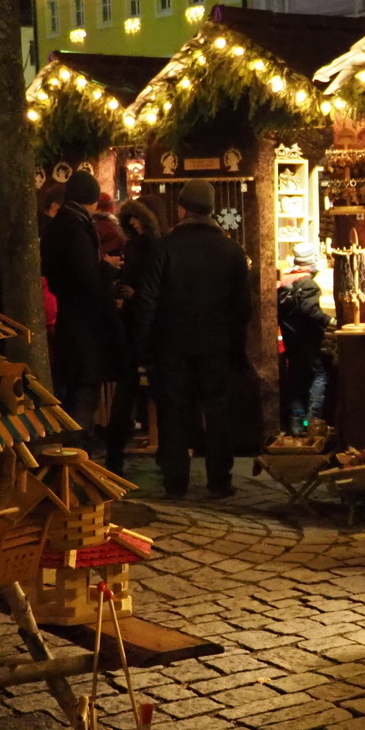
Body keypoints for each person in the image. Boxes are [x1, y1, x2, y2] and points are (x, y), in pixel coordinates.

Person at [134, 179, 252, 498]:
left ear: (182, 208)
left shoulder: (165, 247)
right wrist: (237, 347)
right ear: (211, 210)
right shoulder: (231, 250)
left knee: (174, 411)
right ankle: (219, 479)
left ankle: (175, 481)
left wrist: (143, 346)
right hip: (216, 344)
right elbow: (243, 306)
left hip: (172, 345)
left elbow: (147, 299)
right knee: (217, 411)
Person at [42, 170, 126, 440]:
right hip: (83, 325)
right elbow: (86, 278)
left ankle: (74, 454)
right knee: (83, 391)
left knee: (75, 390)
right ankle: (78, 458)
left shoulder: (58, 225)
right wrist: (107, 270)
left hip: (69, 322)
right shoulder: (76, 227)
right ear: (90, 200)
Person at [102, 199, 161, 474]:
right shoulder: (151, 245)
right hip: (145, 328)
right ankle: (163, 453)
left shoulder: (140, 246)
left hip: (133, 326)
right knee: (150, 393)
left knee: (127, 395)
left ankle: (116, 456)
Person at [277, 241, 333, 435]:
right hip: (307, 340)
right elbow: (309, 311)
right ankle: (313, 422)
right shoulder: (308, 284)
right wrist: (331, 321)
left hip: (291, 340)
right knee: (319, 375)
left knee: (296, 381)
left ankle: (296, 426)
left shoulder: (285, 282)